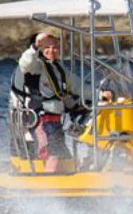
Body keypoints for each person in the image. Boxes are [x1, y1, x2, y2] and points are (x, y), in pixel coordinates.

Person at [11, 31, 86, 172]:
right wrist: (35, 46)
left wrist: (101, 94)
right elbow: (25, 64)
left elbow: (78, 86)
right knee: (54, 154)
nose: (51, 50)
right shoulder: (35, 67)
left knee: (64, 156)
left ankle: (66, 184)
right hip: (41, 120)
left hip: (55, 121)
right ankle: (46, 190)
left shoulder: (58, 68)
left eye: (55, 47)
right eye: (47, 47)